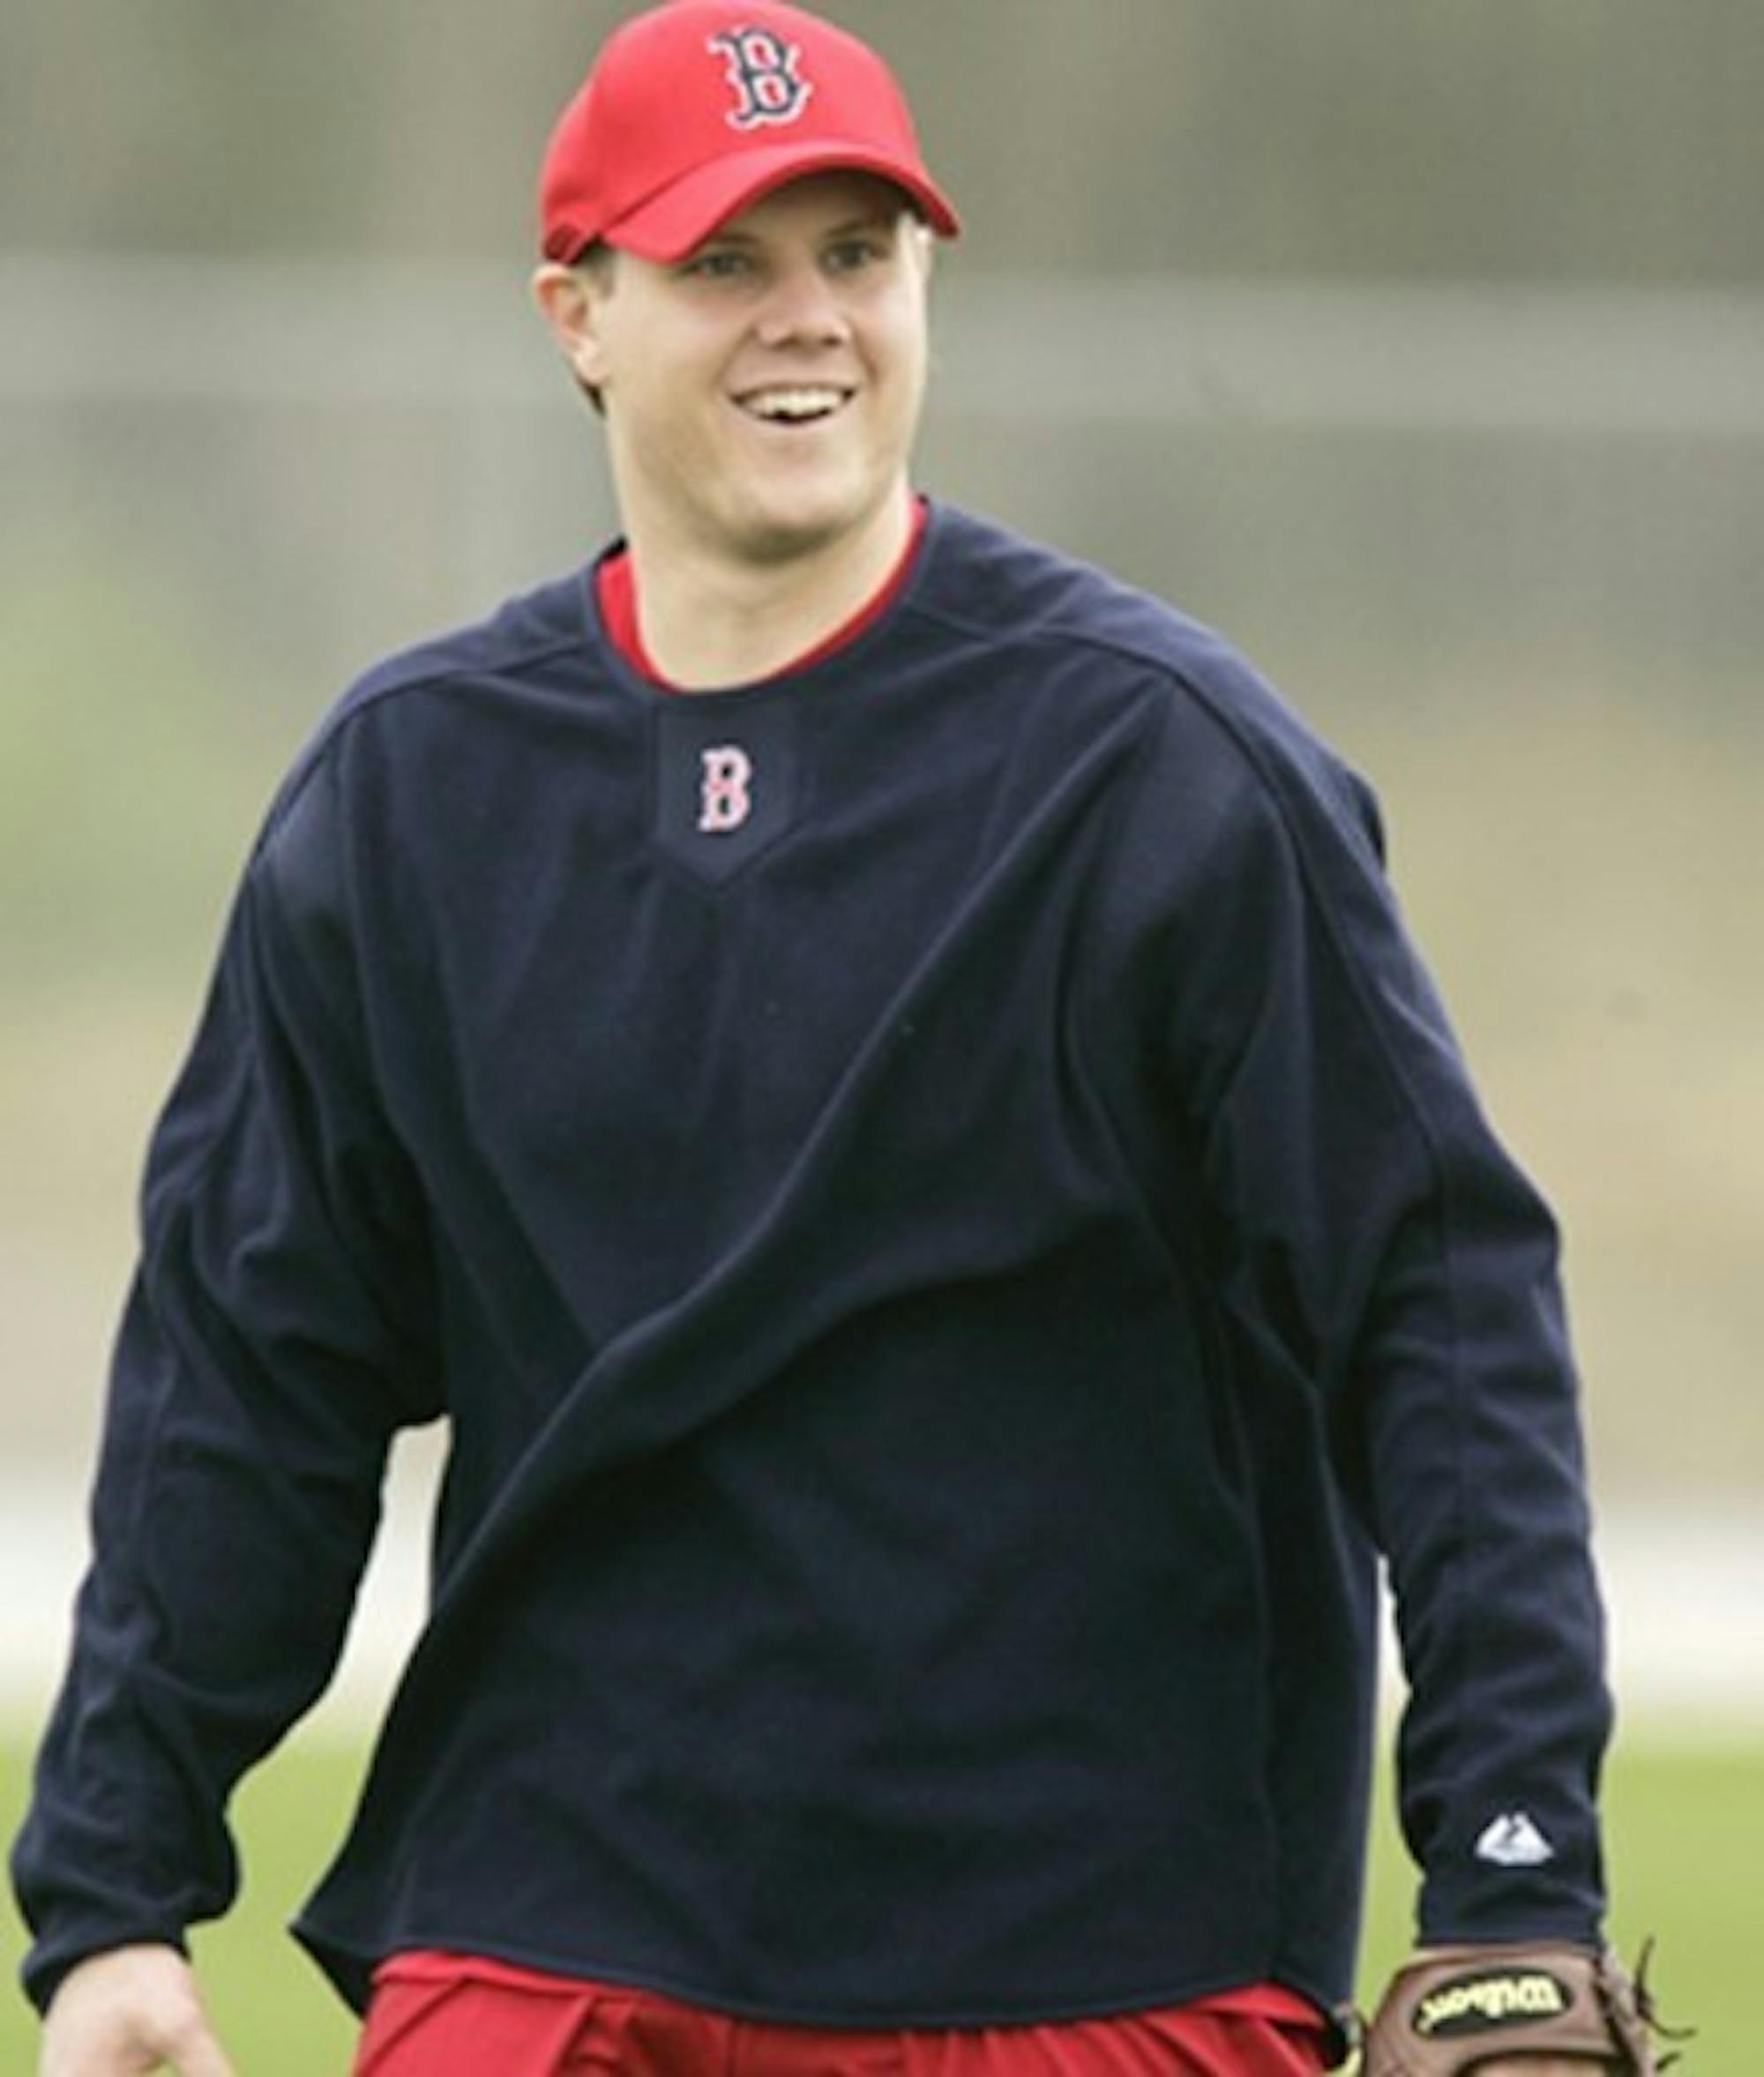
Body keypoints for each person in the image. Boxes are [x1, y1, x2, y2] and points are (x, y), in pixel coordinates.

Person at [12, 4, 1656, 2073]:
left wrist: (1513, 1874)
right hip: (545, 1923)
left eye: (858, 254)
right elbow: (251, 1373)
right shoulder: (411, 790)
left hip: (1086, 1951)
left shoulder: (1161, 768)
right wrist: (116, 1893)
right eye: (725, 263)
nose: (811, 322)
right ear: (576, 312)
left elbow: (1435, 1296)